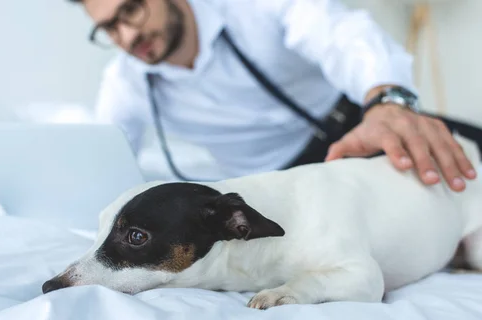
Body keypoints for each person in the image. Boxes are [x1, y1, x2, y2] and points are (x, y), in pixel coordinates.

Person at [68, 0, 481, 191]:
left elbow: (340, 34)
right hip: (279, 184)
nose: (128, 35)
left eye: (132, 10)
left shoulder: (251, 7)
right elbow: (100, 166)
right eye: (109, 29)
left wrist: (387, 101)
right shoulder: (126, 83)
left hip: (358, 131)